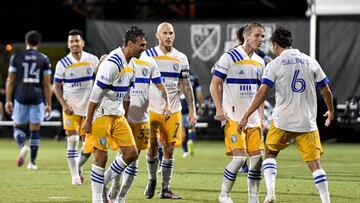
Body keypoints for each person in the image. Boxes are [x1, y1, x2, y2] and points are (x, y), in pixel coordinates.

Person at [238, 27, 333, 203]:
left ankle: (271, 193)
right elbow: (326, 90)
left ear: (274, 45)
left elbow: (262, 92)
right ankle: (326, 201)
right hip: (307, 122)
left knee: (270, 154)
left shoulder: (275, 64)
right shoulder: (310, 61)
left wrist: (246, 115)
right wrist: (331, 110)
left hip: (282, 121)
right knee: (315, 165)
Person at [81, 25, 146, 203]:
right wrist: (88, 120)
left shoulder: (131, 64)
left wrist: (124, 113)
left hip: (117, 114)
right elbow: (95, 95)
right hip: (100, 113)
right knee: (101, 157)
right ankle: (96, 199)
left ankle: (103, 181)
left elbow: (126, 93)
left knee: (132, 153)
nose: (144, 48)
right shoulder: (112, 63)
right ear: (130, 44)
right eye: (141, 45)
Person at [209, 22, 266, 203]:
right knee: (240, 159)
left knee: (257, 160)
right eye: (257, 35)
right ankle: (224, 194)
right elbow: (214, 84)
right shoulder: (229, 56)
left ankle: (253, 198)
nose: (261, 40)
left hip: (254, 119)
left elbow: (261, 93)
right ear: (246, 36)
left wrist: (262, 118)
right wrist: (219, 108)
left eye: (263, 36)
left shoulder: (260, 62)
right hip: (233, 117)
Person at [143, 22, 197, 199]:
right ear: (157, 36)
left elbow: (185, 85)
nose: (168, 36)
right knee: (151, 148)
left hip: (173, 110)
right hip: (151, 110)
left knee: (170, 149)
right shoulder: (147, 56)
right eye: (164, 33)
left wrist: (192, 109)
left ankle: (165, 188)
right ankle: (152, 179)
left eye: (171, 33)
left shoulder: (181, 57)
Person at [107, 54, 171, 203]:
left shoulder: (149, 61)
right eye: (140, 44)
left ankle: (121, 197)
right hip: (124, 117)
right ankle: (114, 189)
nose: (142, 47)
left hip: (142, 120)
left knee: (134, 158)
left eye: (144, 44)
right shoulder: (122, 61)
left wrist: (167, 104)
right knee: (123, 155)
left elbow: (160, 85)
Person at [53, 29, 99, 185]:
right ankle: (74, 176)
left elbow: (101, 80)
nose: (74, 44)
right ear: (68, 44)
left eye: (77, 41)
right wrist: (64, 105)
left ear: (83, 43)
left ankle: (78, 166)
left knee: (88, 144)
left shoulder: (92, 60)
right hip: (71, 109)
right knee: (72, 141)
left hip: (89, 110)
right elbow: (56, 87)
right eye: (71, 42)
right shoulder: (62, 64)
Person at [5, 30, 52, 170]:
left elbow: (10, 80)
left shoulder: (16, 57)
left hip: (21, 95)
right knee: (35, 130)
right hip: (37, 97)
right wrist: (48, 103)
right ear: (38, 43)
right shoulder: (43, 58)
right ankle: (32, 163)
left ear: (26, 42)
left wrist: (8, 100)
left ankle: (23, 146)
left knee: (18, 127)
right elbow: (46, 84)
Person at [180, 71, 203, 157]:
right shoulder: (194, 77)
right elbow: (199, 94)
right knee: (192, 128)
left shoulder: (177, 75)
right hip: (191, 107)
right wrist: (200, 107)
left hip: (180, 107)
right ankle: (191, 141)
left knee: (182, 132)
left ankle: (186, 152)